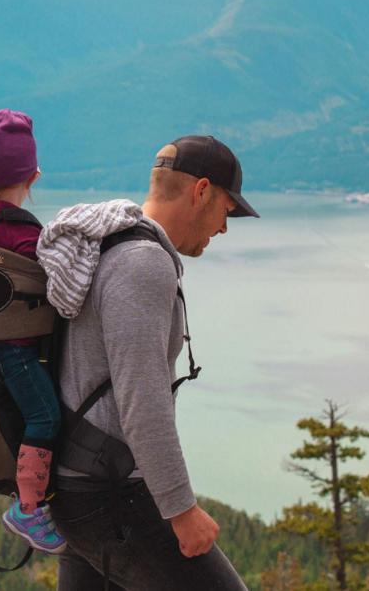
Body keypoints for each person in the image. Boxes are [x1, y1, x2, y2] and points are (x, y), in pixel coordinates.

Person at [39, 135, 259, 590]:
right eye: (226, 210)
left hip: (78, 485)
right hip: (112, 496)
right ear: (200, 191)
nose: (223, 228)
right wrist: (181, 511)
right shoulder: (143, 263)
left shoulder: (105, 244)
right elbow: (143, 400)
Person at [0, 109, 67, 554]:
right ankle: (28, 509)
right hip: (19, 351)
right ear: (32, 175)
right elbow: (59, 283)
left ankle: (33, 496)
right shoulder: (21, 235)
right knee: (45, 417)